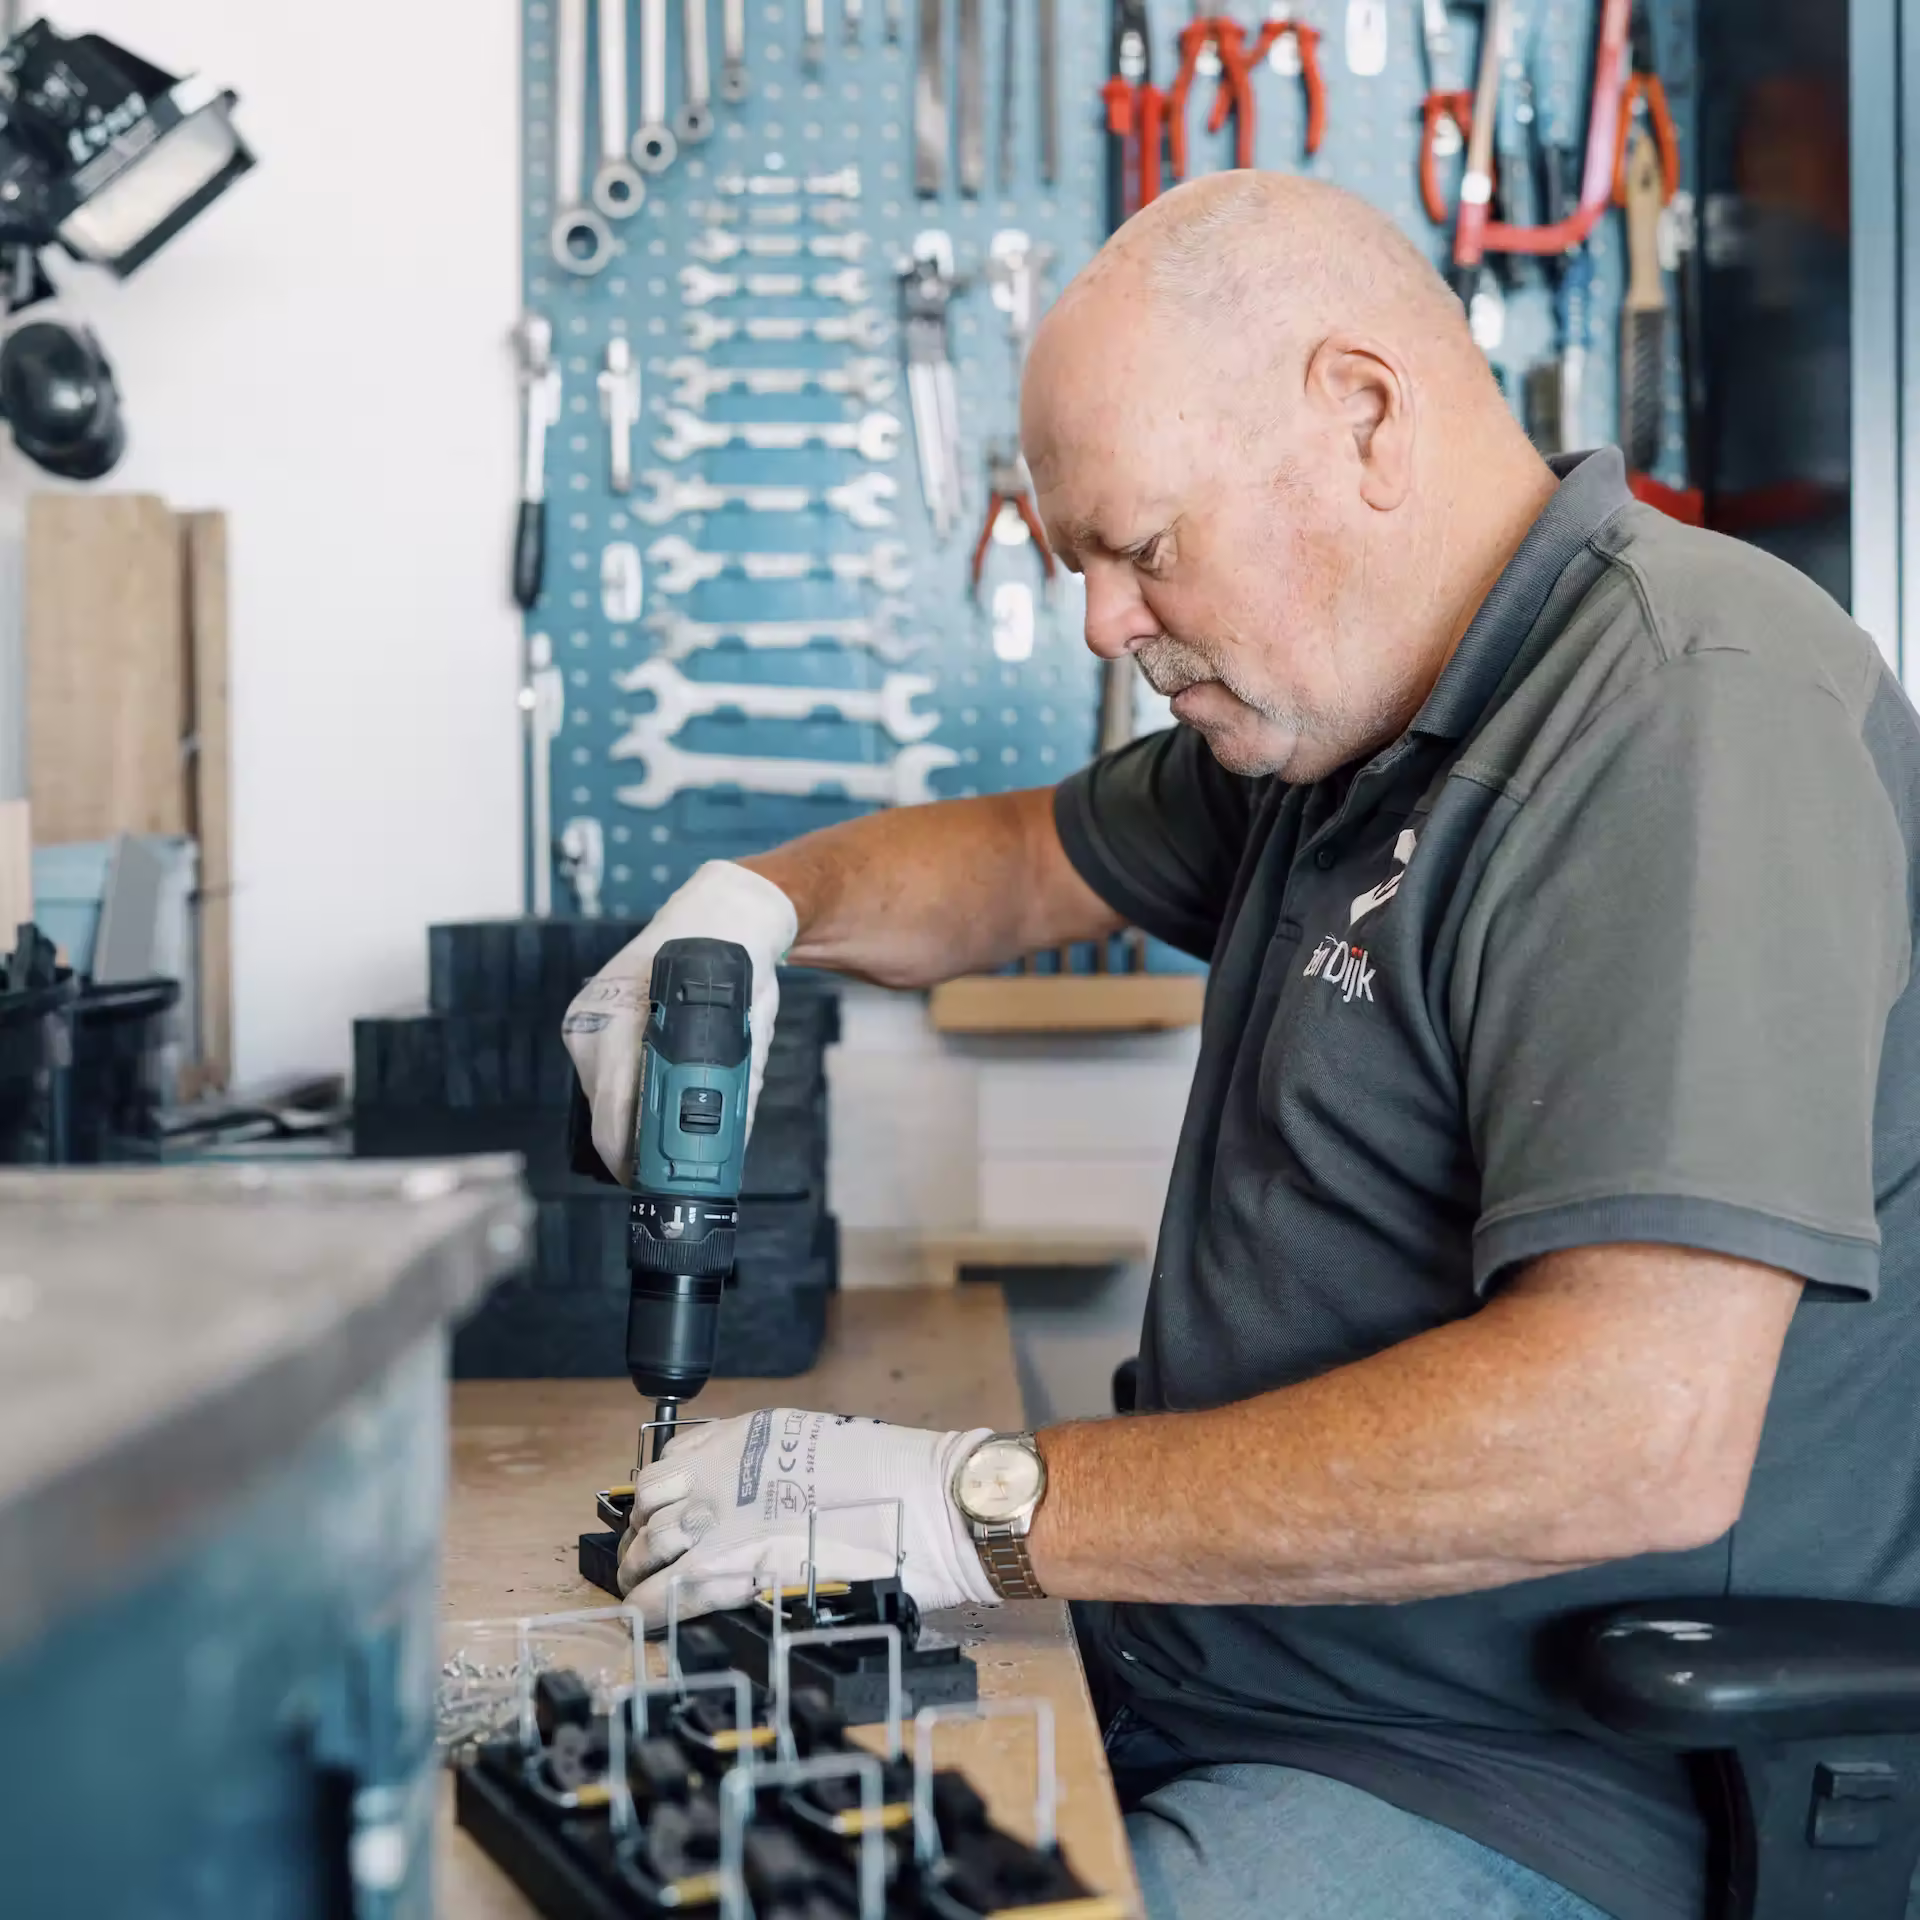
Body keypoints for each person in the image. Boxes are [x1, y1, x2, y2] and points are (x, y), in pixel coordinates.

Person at [562, 173, 1920, 1920]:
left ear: (1360, 415)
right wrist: (748, 907)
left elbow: (1631, 1428)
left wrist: (964, 1500)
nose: (1101, 625)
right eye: (1075, 564)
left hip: (1519, 1781)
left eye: (1140, 547)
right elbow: (1013, 862)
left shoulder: (1685, 708)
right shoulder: (1349, 723)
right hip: (1210, 1679)